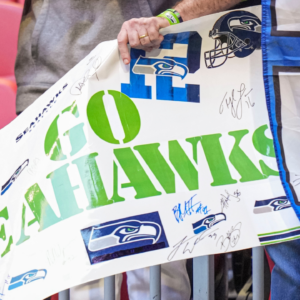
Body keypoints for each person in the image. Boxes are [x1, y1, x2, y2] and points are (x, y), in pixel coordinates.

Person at [15, 0, 240, 299]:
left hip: (149, 53)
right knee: (78, 245)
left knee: (159, 242)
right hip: (50, 69)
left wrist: (171, 17)